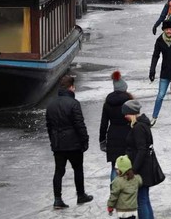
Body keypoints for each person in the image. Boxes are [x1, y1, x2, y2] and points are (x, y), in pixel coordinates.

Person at [46, 73, 92, 209]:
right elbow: (79, 124)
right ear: (71, 87)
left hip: (58, 144)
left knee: (58, 171)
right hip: (73, 144)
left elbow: (49, 126)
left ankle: (57, 199)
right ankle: (80, 195)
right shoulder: (74, 104)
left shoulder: (51, 104)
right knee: (78, 169)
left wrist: (53, 141)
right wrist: (85, 140)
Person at [122, 100, 162, 219]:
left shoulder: (138, 128)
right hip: (146, 169)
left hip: (141, 171)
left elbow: (141, 150)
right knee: (145, 201)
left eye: (126, 113)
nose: (124, 116)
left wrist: (133, 170)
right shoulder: (143, 124)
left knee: (142, 202)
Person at [99, 71, 133, 176]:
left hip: (113, 135)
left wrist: (102, 140)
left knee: (115, 167)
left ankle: (114, 189)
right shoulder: (129, 102)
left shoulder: (108, 102)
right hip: (128, 135)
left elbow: (104, 123)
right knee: (129, 165)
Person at [107, 155, 143, 219]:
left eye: (117, 169)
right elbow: (140, 181)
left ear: (122, 170)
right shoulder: (136, 179)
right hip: (133, 208)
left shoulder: (118, 182)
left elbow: (114, 195)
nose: (116, 171)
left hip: (122, 209)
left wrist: (110, 206)